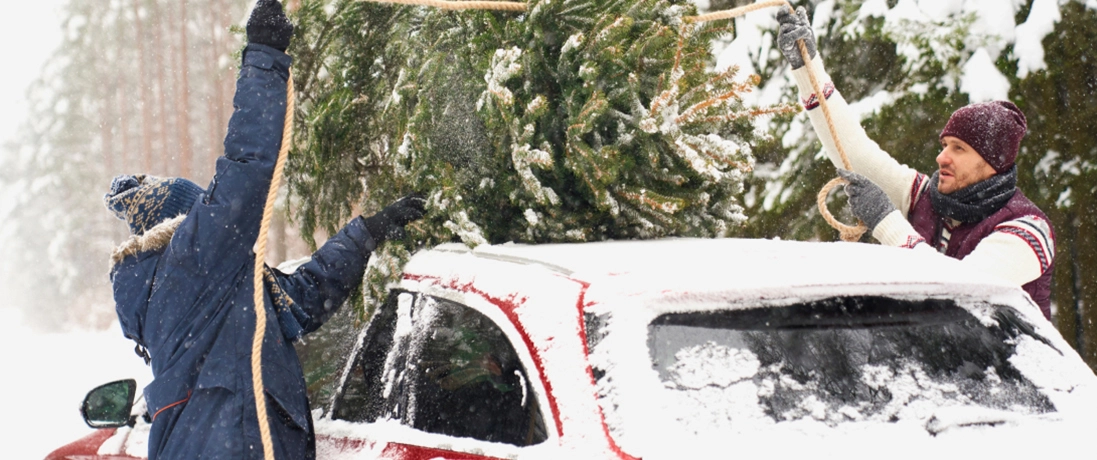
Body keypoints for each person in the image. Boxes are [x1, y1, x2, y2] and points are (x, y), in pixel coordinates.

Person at [103, 1, 426, 458]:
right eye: (204, 212)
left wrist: (368, 231)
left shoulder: (213, 284)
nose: (217, 219)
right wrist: (263, 55)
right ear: (186, 223)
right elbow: (248, 165)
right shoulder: (193, 261)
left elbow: (306, 297)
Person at [775, 6, 1055, 320]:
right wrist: (807, 67)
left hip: (1007, 369)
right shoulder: (928, 198)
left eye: (958, 149)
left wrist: (887, 223)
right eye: (944, 145)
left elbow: (956, 293)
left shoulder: (1027, 231)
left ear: (991, 164)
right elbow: (855, 152)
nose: (941, 157)